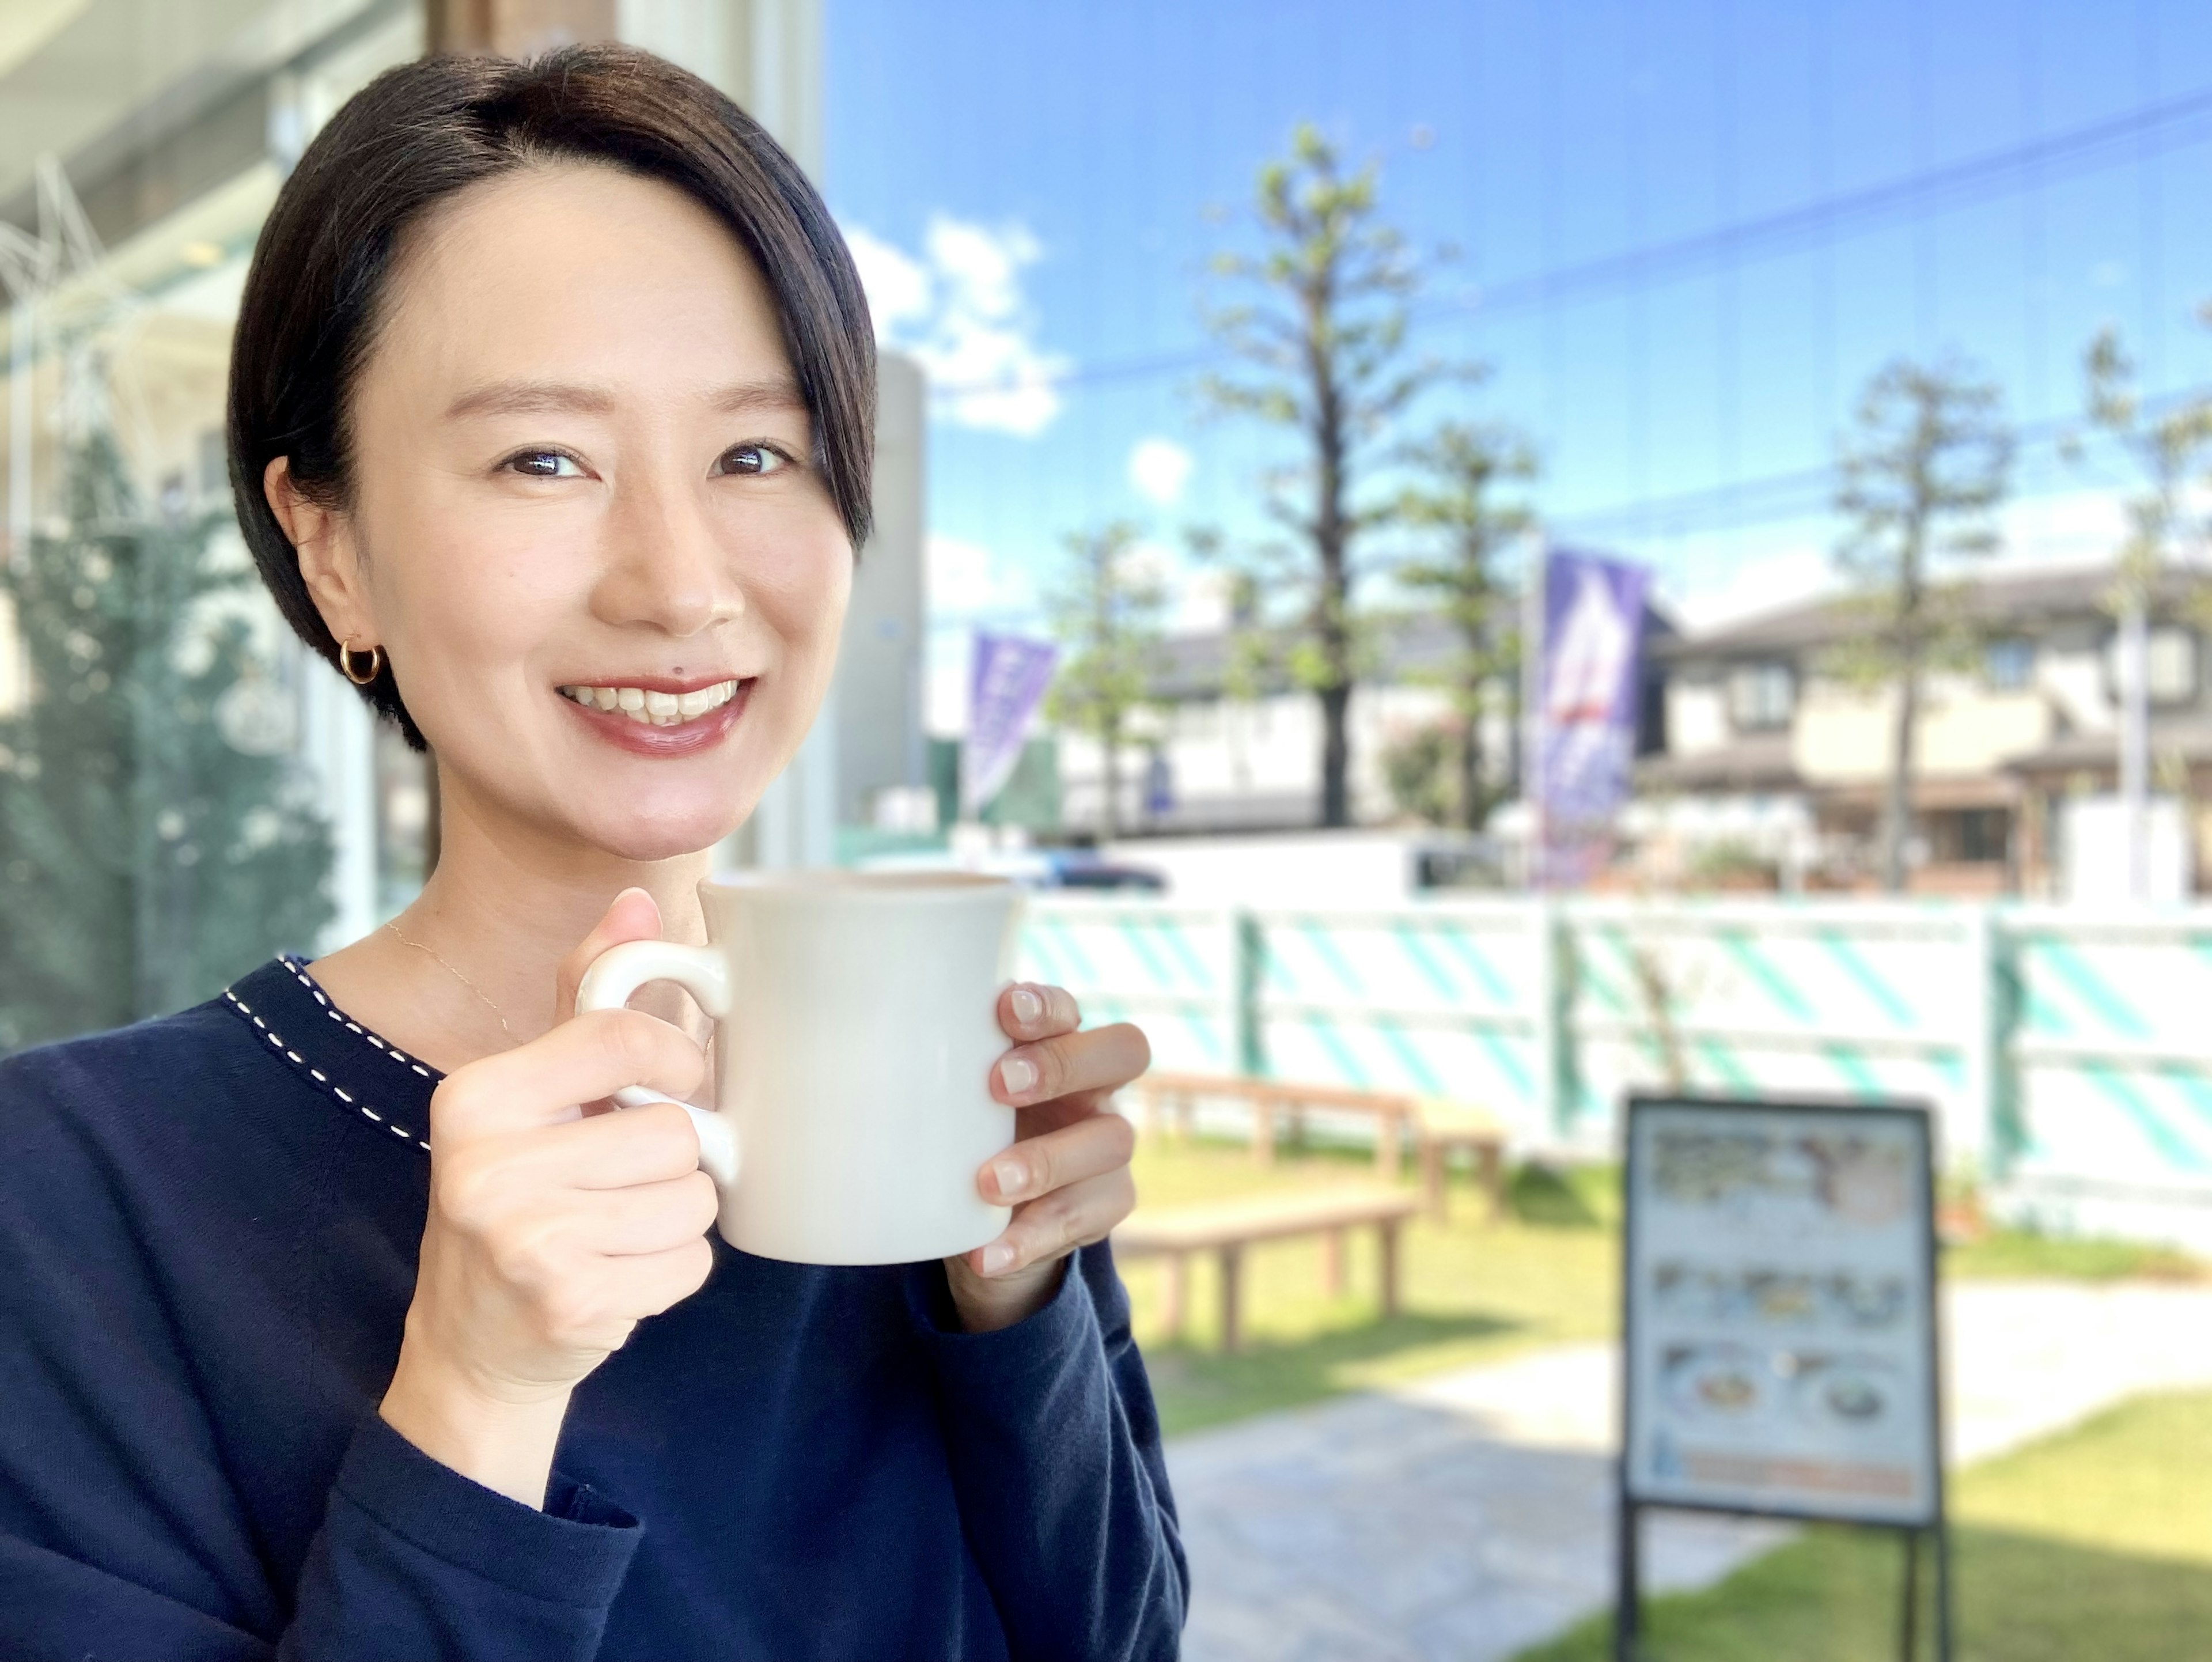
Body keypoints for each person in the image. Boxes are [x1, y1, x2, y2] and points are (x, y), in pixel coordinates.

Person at [0, 45, 1183, 1662]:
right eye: (543, 458)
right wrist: (475, 1397)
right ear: (329, 544)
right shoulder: (66, 1200)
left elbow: (1118, 1639)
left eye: (757, 455)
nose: (680, 582)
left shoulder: (923, 1123)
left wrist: (1018, 1303)